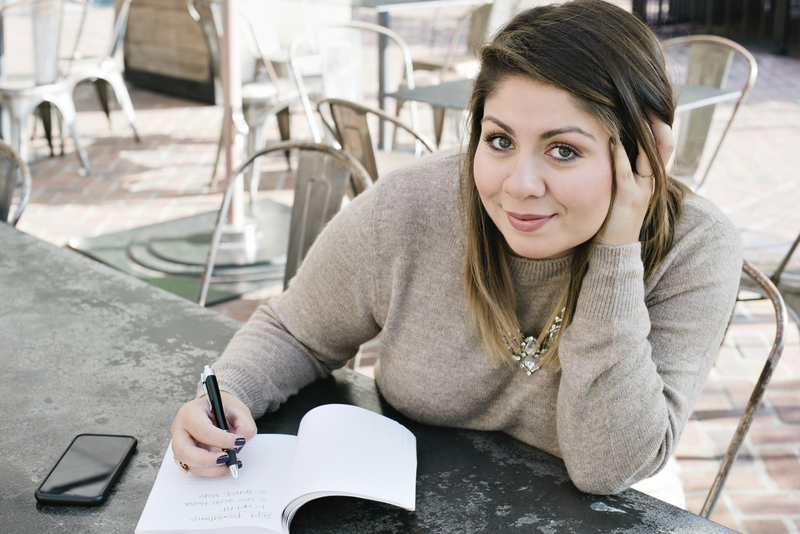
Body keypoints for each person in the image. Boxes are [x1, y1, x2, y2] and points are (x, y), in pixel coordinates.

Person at [170, 0, 742, 504]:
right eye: (500, 140)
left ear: (641, 153)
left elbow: (608, 465)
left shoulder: (696, 247)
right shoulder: (412, 206)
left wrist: (618, 247)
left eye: (564, 150)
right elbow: (294, 331)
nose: (520, 184)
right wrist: (227, 396)